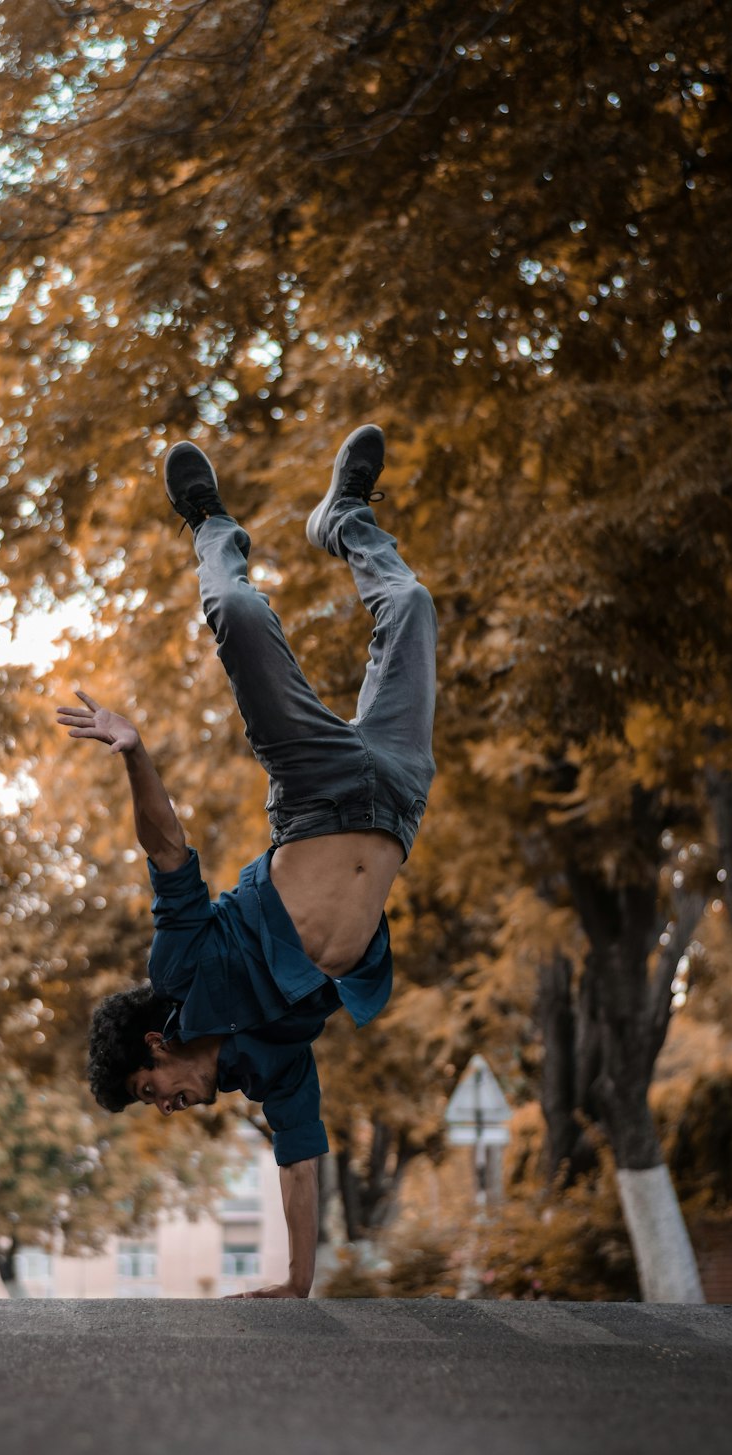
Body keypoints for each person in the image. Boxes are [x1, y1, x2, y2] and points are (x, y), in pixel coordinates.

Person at [56, 424, 437, 1298]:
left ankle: (208, 526)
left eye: (152, 1091)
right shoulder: (271, 1064)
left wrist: (135, 754)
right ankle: (345, 517)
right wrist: (297, 1285)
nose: (170, 1107)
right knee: (411, 607)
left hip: (319, 790)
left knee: (238, 614)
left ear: (157, 1046)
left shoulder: (181, 966)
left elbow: (168, 853)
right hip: (401, 793)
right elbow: (302, 1158)